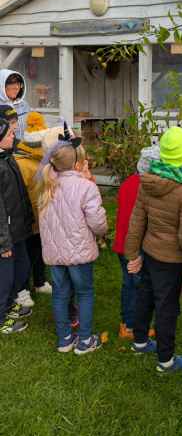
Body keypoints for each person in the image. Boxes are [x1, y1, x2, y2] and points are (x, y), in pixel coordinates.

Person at [125, 126, 182, 373]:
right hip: (171, 259)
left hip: (149, 251)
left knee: (145, 295)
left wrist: (132, 253)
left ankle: (140, 341)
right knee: (167, 307)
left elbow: (137, 221)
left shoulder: (147, 181)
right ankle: (166, 360)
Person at [38, 127, 107, 353]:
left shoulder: (46, 187)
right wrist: (102, 231)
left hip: (55, 254)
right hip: (79, 253)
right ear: (77, 162)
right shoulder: (86, 187)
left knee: (60, 294)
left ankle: (65, 339)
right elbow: (97, 222)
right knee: (84, 293)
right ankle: (85, 340)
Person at [112, 144, 160, 340]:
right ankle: (134, 326)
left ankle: (126, 323)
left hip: (122, 243)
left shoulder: (128, 183)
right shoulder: (148, 188)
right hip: (136, 245)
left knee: (129, 283)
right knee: (138, 286)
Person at [14, 112, 53, 309]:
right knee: (24, 255)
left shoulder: (42, 161)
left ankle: (39, 281)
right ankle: (22, 290)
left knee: (38, 250)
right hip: (26, 219)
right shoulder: (22, 164)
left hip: (40, 217)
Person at [0, 118, 34, 335]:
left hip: (17, 229)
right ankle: (1, 318)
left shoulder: (8, 157)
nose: (14, 136)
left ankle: (10, 302)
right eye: (10, 134)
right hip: (5, 234)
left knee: (22, 268)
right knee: (5, 277)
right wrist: (3, 243)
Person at [0, 70, 30, 140]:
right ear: (1, 85)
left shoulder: (24, 105)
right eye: (12, 83)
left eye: (18, 84)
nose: (16, 87)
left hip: (23, 145)